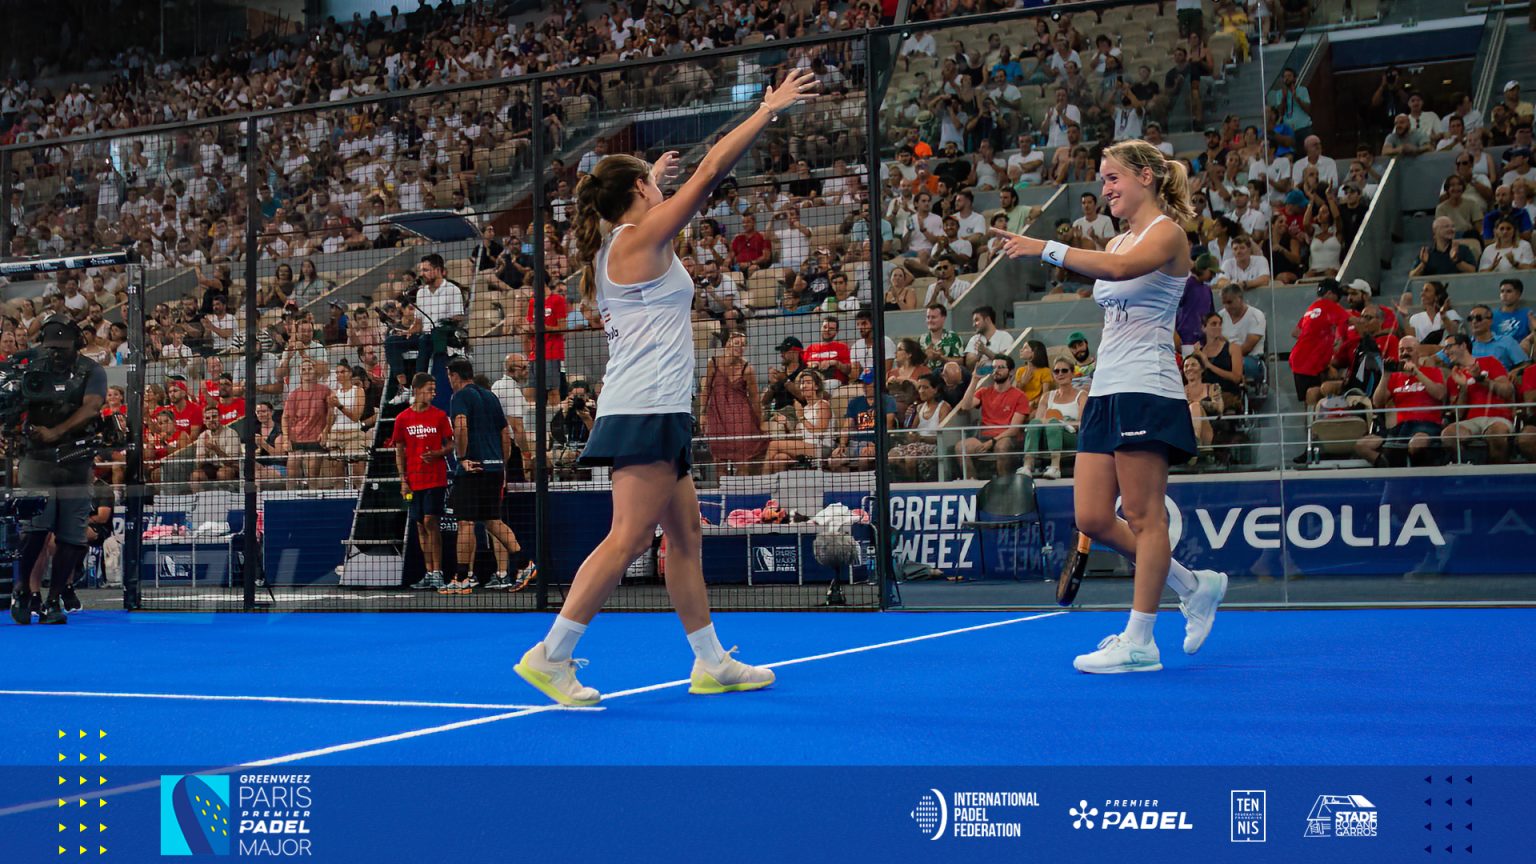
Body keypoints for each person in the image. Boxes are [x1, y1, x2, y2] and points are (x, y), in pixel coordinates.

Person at [513, 69, 816, 706]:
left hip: (660, 407)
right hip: (644, 407)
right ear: (638, 195)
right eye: (651, 186)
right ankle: (551, 655)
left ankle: (711, 663)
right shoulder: (639, 239)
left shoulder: (622, 238)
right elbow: (710, 172)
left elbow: (643, 199)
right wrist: (767, 110)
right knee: (627, 538)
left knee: (685, 537)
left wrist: (647, 175)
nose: (661, 190)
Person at [991, 139, 1227, 674]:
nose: (1105, 188)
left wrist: (1044, 247)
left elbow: (1120, 272)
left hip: (1148, 388)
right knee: (1094, 517)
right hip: (1106, 390)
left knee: (1144, 517)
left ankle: (1141, 640)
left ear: (1146, 176)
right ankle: (1194, 586)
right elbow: (1113, 284)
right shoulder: (1117, 238)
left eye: (1113, 177)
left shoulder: (1168, 233)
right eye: (1102, 179)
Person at [10, 316, 109, 624]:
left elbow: (92, 406)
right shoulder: (30, 367)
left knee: (72, 535)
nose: (55, 353)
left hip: (75, 459)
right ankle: (24, 590)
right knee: (35, 530)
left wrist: (56, 432)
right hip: (36, 458)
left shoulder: (92, 370)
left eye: (61, 348)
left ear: (76, 345)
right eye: (51, 347)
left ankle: (54, 600)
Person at [391, 374, 453, 591]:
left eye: (434, 390)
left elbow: (451, 444)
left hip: (435, 478)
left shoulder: (440, 416)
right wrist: (403, 480)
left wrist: (438, 453)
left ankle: (438, 572)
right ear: (416, 390)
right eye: (429, 389)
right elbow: (399, 450)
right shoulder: (402, 419)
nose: (433, 394)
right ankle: (428, 572)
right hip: (414, 480)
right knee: (419, 524)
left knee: (430, 521)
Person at [1356, 337, 1446, 467]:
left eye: (1409, 350)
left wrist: (1416, 373)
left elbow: (1440, 394)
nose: (1404, 353)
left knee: (1417, 443)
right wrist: (1386, 375)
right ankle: (1388, 467)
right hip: (1401, 427)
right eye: (1401, 350)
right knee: (1362, 446)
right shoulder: (1395, 377)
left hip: (1426, 425)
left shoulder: (1432, 372)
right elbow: (1377, 402)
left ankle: (1407, 470)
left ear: (1419, 352)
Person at [701, 331, 766, 475]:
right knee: (719, 460)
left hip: (740, 416)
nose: (740, 347)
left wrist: (760, 422)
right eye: (737, 343)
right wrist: (702, 414)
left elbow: (755, 398)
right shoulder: (713, 363)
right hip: (717, 415)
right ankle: (723, 488)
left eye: (743, 345)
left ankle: (741, 488)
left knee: (743, 458)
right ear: (728, 344)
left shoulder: (747, 369)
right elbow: (706, 389)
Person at [954, 356, 1028, 476]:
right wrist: (975, 379)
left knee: (1002, 447)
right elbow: (965, 406)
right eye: (994, 367)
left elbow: (1014, 430)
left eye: (1001, 367)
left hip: (1007, 438)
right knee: (960, 447)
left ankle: (1004, 483)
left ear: (1011, 372)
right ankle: (972, 482)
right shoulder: (983, 391)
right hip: (984, 437)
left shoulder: (1020, 396)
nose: (996, 370)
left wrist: (992, 441)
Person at [1020, 359, 1085, 479]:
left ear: (1072, 373)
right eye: (1056, 371)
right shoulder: (1046, 396)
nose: (1060, 374)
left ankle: (1055, 467)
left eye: (1064, 370)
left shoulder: (1082, 395)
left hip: (1071, 437)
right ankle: (1027, 465)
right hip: (1047, 436)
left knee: (1053, 422)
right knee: (1034, 422)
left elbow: (1082, 423)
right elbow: (1038, 421)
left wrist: (1060, 422)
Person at [1289, 280, 1350, 405]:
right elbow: (1350, 320)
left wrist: (1314, 338)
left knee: (1309, 399)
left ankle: (1311, 417)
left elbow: (1296, 332)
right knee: (1314, 396)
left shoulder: (1313, 307)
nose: (1338, 300)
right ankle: (1314, 417)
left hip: (1299, 359)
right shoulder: (1330, 305)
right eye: (1338, 296)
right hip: (1310, 362)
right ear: (1329, 293)